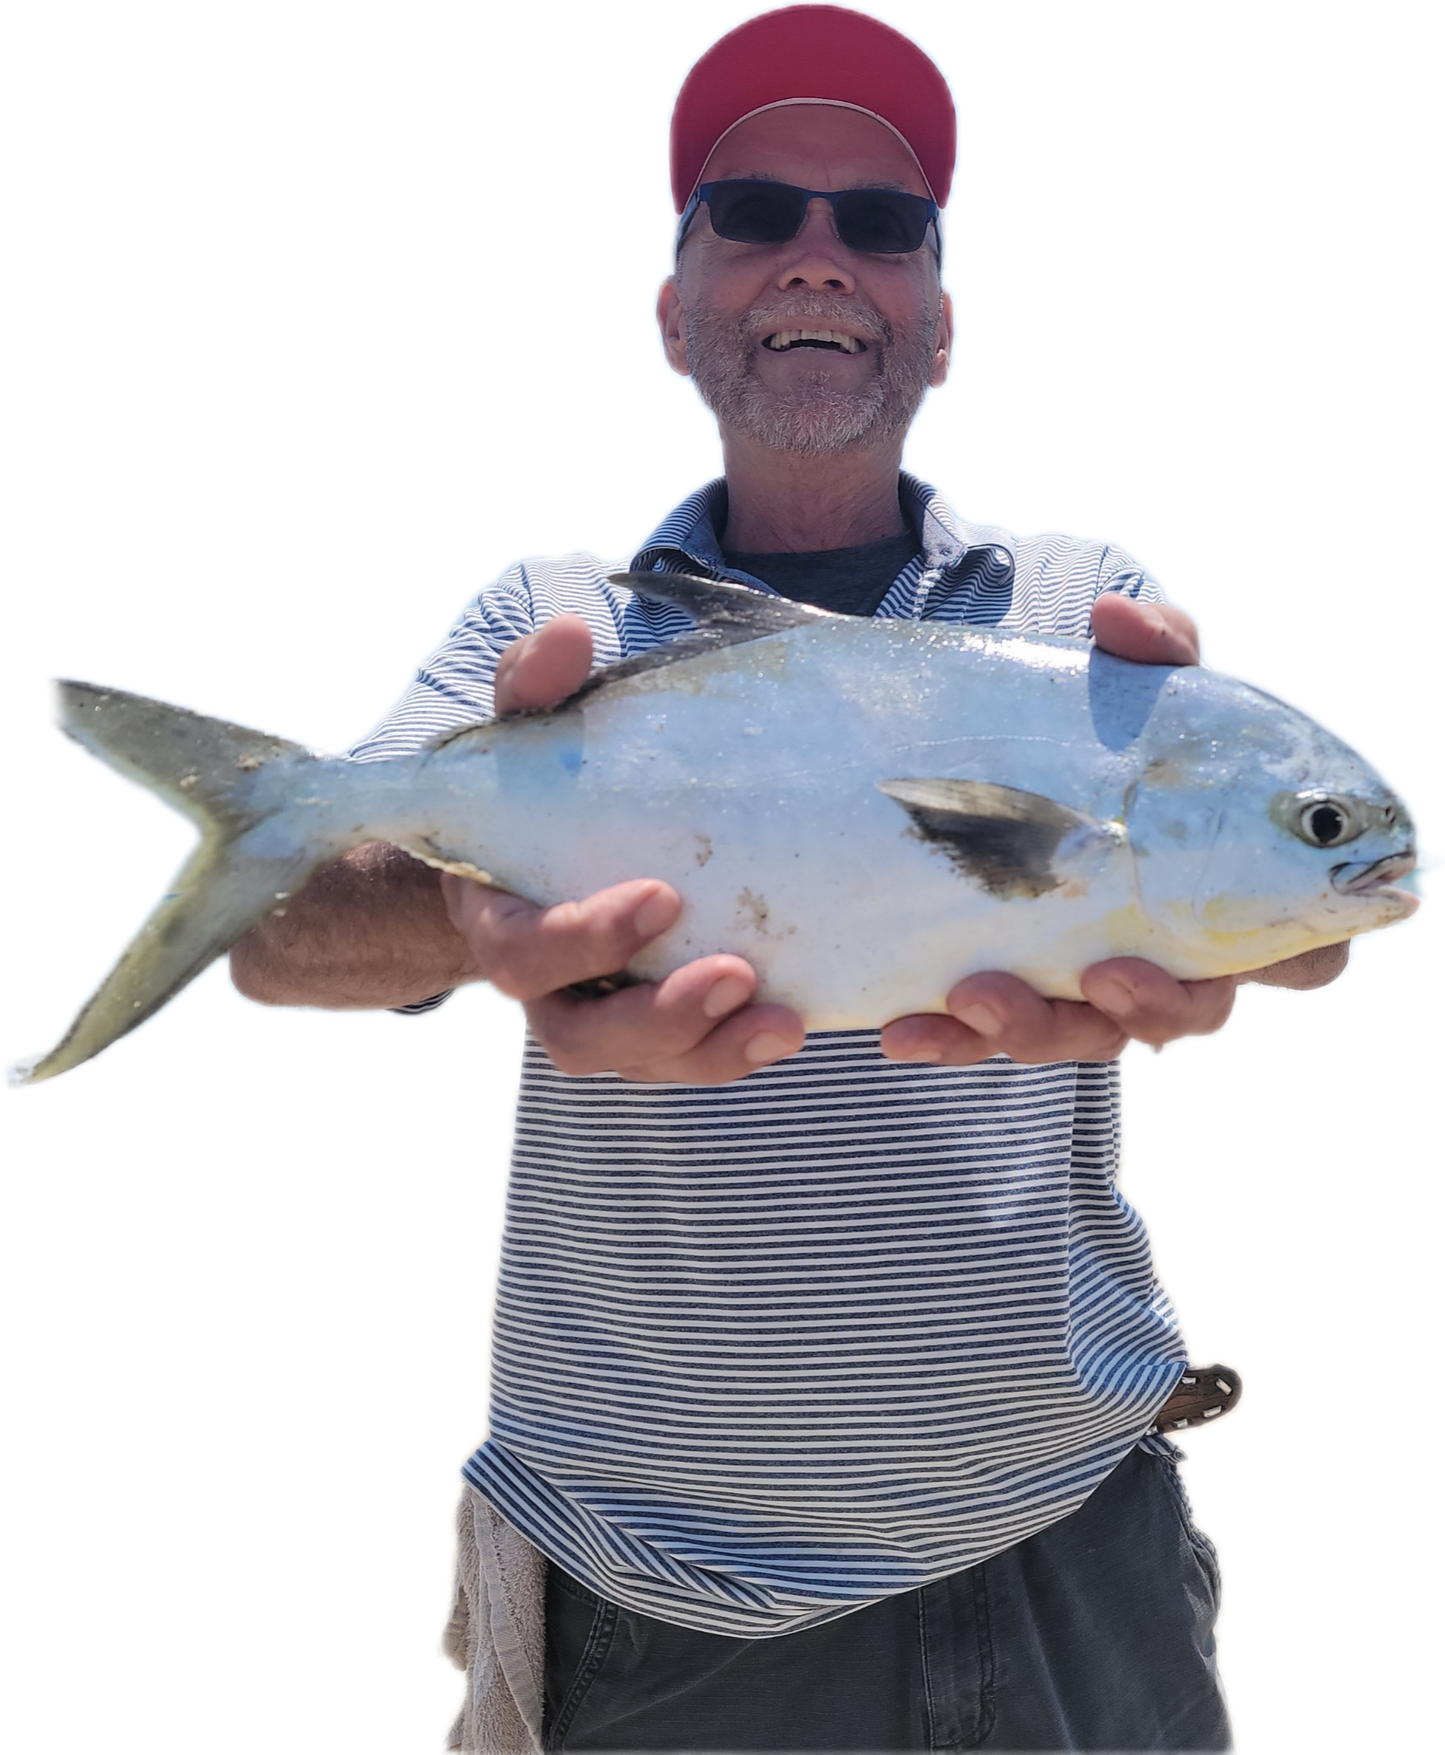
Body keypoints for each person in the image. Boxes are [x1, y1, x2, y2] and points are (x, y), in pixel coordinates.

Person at [229, 8, 1345, 1750]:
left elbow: (1263, 892)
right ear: (673, 308)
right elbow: (288, 935)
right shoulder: (554, 621)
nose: (819, 258)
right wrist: (473, 907)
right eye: (752, 213)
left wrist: (1291, 937)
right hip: (669, 1598)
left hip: (1074, 1544)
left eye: (884, 225)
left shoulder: (1080, 620)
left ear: (945, 320)